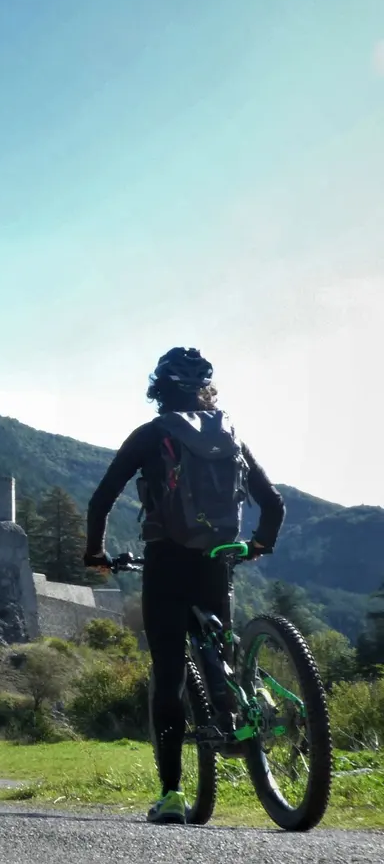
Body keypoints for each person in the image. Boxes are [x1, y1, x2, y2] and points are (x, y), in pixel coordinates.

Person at [82, 347, 285, 826]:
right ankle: (247, 710)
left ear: (159, 390)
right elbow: (272, 502)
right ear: (206, 390)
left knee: (170, 672)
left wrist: (95, 554)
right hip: (217, 558)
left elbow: (100, 500)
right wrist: (258, 545)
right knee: (222, 647)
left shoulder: (153, 434)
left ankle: (172, 794)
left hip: (167, 560)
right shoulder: (229, 435)